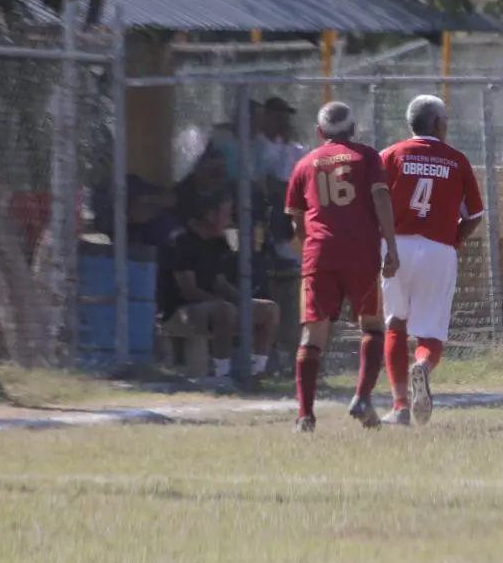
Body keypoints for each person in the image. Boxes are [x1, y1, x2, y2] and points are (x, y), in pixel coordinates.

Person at [351, 95, 484, 428]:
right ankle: (422, 367)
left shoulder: (390, 155)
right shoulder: (457, 160)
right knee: (431, 331)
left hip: (395, 246)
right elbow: (476, 213)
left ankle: (399, 406)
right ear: (439, 123)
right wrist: (456, 238)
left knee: (395, 323)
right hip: (439, 249)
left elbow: (371, 202)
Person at [283, 102, 398, 433]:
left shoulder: (304, 164)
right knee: (372, 325)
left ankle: (304, 416)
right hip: (361, 251)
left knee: (314, 332)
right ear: (354, 129)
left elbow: (296, 222)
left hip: (319, 253)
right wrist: (390, 245)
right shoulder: (366, 156)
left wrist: (312, 250)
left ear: (320, 133)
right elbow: (380, 199)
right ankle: (362, 398)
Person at [157, 191, 280, 380]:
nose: (230, 219)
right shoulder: (180, 241)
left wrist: (244, 303)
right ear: (210, 215)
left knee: (269, 309)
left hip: (215, 307)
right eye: (226, 213)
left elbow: (220, 282)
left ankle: (256, 371)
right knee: (225, 310)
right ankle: (222, 374)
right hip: (179, 312)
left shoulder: (217, 241)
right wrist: (224, 303)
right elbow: (189, 291)